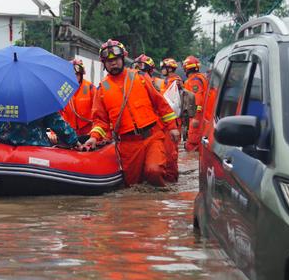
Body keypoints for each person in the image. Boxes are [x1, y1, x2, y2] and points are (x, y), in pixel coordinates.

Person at [82, 40, 180, 187]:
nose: (113, 63)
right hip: (128, 145)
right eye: (109, 61)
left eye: (115, 59)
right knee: (134, 185)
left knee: (154, 171)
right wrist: (94, 138)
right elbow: (100, 121)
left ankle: (159, 204)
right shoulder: (102, 88)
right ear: (104, 64)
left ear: (122, 58)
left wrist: (172, 127)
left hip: (152, 137)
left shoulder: (139, 77)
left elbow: (160, 103)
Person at [137, 53, 179, 182]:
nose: (138, 72)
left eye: (142, 69)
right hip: (143, 130)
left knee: (169, 156)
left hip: (162, 126)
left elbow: (167, 104)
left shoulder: (160, 83)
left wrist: (172, 126)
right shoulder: (131, 84)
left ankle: (171, 181)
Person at [0, 111, 80, 148]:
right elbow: (59, 125)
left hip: (1, 146)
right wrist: (75, 142)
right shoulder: (41, 99)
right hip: (33, 148)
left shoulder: (3, 96)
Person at [59, 59, 96, 139]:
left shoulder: (90, 88)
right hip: (70, 132)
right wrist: (53, 133)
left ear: (81, 75)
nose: (74, 77)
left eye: (77, 74)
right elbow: (58, 114)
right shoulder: (63, 90)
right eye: (71, 75)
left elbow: (99, 111)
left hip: (88, 131)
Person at [183, 55, 209, 152]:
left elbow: (197, 99)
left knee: (193, 141)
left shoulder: (195, 80)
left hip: (197, 115)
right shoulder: (199, 78)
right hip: (198, 114)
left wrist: (195, 118)